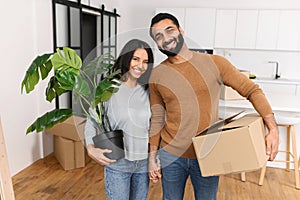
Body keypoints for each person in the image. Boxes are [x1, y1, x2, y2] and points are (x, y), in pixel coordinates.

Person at [147, 13, 279, 200]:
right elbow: (157, 118)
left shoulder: (214, 63)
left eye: (169, 30)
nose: (165, 38)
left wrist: (273, 128)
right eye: (158, 36)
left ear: (181, 30)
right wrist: (152, 158)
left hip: (208, 152)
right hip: (170, 154)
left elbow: (252, 90)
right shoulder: (157, 75)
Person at [84, 39, 154, 200]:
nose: (140, 66)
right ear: (126, 58)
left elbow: (153, 128)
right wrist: (90, 147)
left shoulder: (148, 91)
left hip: (143, 163)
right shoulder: (108, 88)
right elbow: (91, 121)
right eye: (135, 59)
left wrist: (154, 160)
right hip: (118, 163)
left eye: (145, 61)